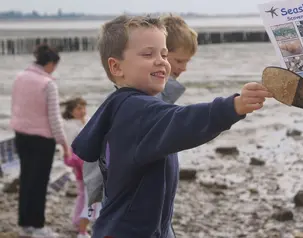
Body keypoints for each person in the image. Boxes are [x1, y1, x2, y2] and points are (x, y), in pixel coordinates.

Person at [71, 15, 272, 238]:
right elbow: (182, 122)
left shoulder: (125, 105)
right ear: (116, 67)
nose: (161, 61)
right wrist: (234, 106)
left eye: (164, 54)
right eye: (148, 54)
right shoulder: (136, 110)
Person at [82, 14, 199, 207]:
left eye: (187, 62)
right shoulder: (138, 101)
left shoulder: (153, 90)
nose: (183, 68)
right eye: (179, 60)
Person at [10, 44, 70, 238]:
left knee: (27, 178)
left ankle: (24, 223)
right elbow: (54, 118)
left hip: (21, 135)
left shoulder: (20, 78)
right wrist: (64, 143)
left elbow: (16, 106)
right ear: (50, 63)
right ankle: (37, 226)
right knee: (40, 182)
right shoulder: (48, 84)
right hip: (42, 140)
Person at [61, 97, 101, 238]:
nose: (83, 111)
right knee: (87, 195)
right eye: (78, 108)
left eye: (84, 107)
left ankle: (80, 222)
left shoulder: (89, 119)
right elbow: (69, 146)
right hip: (79, 161)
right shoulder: (69, 125)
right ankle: (82, 226)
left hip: (90, 161)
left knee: (85, 194)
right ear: (71, 112)